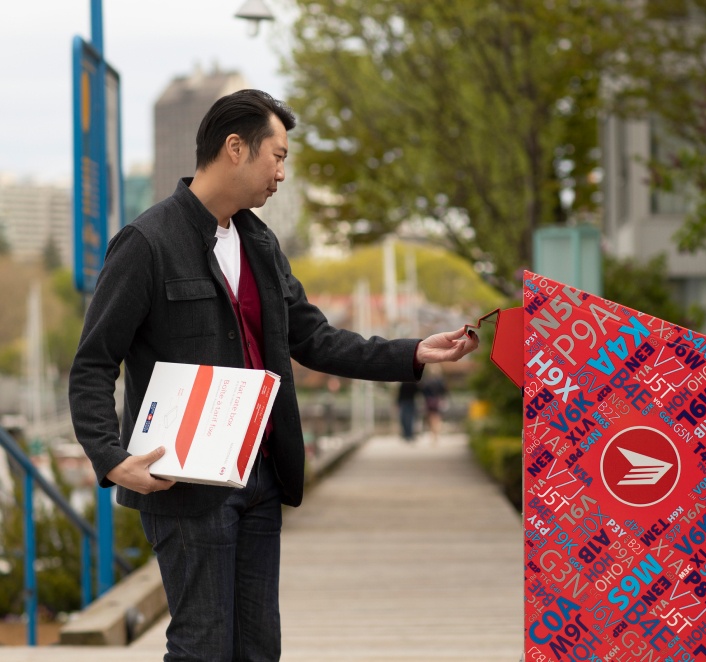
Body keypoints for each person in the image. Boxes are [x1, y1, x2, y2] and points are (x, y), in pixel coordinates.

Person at [68, 89, 478, 662]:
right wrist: (111, 459)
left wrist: (413, 353)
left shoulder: (261, 242)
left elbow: (313, 337)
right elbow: (92, 364)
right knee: (202, 649)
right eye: (278, 156)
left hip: (262, 474)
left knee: (259, 649)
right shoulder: (147, 244)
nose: (282, 173)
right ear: (236, 149)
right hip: (185, 486)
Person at [420, 365, 448, 445]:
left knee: (431, 418)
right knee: (437, 418)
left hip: (429, 401)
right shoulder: (441, 381)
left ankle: (433, 435)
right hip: (438, 401)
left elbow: (423, 391)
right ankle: (436, 434)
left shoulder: (427, 381)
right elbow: (444, 391)